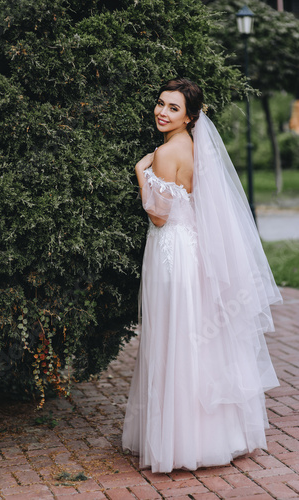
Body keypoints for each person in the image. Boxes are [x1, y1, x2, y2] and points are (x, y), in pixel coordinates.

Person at [122, 78, 282, 473]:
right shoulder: (195, 149)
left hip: (172, 251)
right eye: (160, 103)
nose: (162, 111)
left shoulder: (163, 154)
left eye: (173, 108)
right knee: (195, 342)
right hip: (193, 252)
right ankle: (214, 436)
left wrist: (140, 171)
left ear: (190, 116)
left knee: (172, 338)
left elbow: (158, 215)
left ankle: (178, 442)